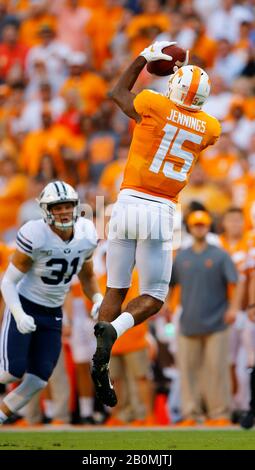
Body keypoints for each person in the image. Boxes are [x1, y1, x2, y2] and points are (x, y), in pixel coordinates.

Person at [91, 40, 222, 407]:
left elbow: (117, 92)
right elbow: (190, 118)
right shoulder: (210, 127)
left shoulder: (152, 102)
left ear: (173, 86)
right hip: (161, 210)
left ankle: (100, 355)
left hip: (127, 202)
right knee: (153, 296)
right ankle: (112, 332)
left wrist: (144, 58)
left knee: (115, 289)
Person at [0, 180, 103, 424]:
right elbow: (7, 282)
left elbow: (87, 275)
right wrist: (19, 313)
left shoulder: (87, 234)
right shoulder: (35, 234)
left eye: (67, 206)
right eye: (57, 207)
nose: (64, 211)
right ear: (46, 210)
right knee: (9, 371)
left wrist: (97, 298)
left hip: (53, 311)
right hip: (25, 304)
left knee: (39, 378)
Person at [171, 210, 238, 426]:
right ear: (190, 227)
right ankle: (191, 413)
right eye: (195, 225)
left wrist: (233, 308)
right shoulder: (181, 257)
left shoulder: (220, 255)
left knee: (216, 370)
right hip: (188, 321)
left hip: (217, 321)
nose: (199, 228)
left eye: (203, 224)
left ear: (208, 227)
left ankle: (220, 413)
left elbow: (235, 283)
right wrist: (167, 307)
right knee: (187, 371)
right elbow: (171, 285)